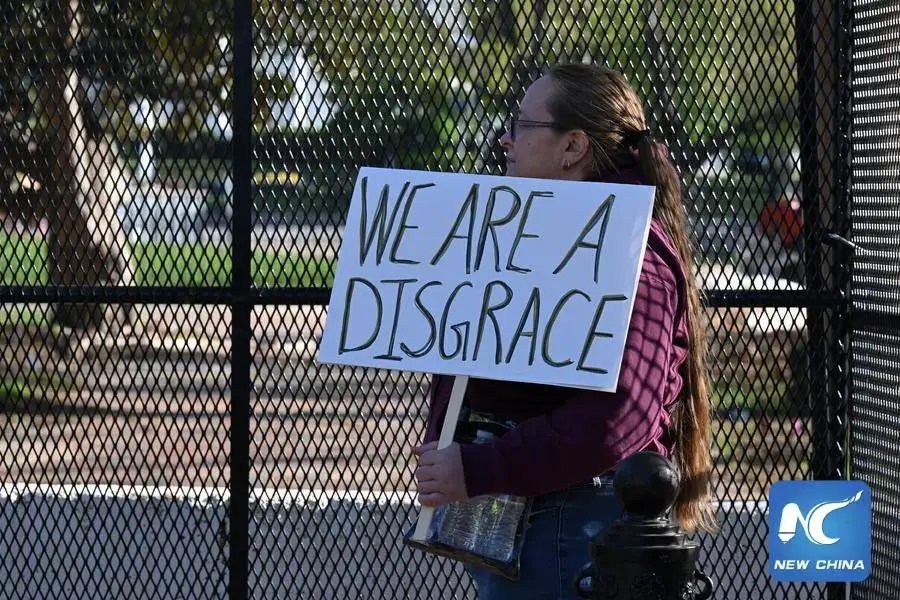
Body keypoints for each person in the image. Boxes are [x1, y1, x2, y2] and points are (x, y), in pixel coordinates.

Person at [410, 63, 717, 599]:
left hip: (568, 522)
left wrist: (481, 466)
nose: (504, 139)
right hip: (533, 515)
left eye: (522, 126)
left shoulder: (627, 254)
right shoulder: (549, 235)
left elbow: (617, 417)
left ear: (573, 146)